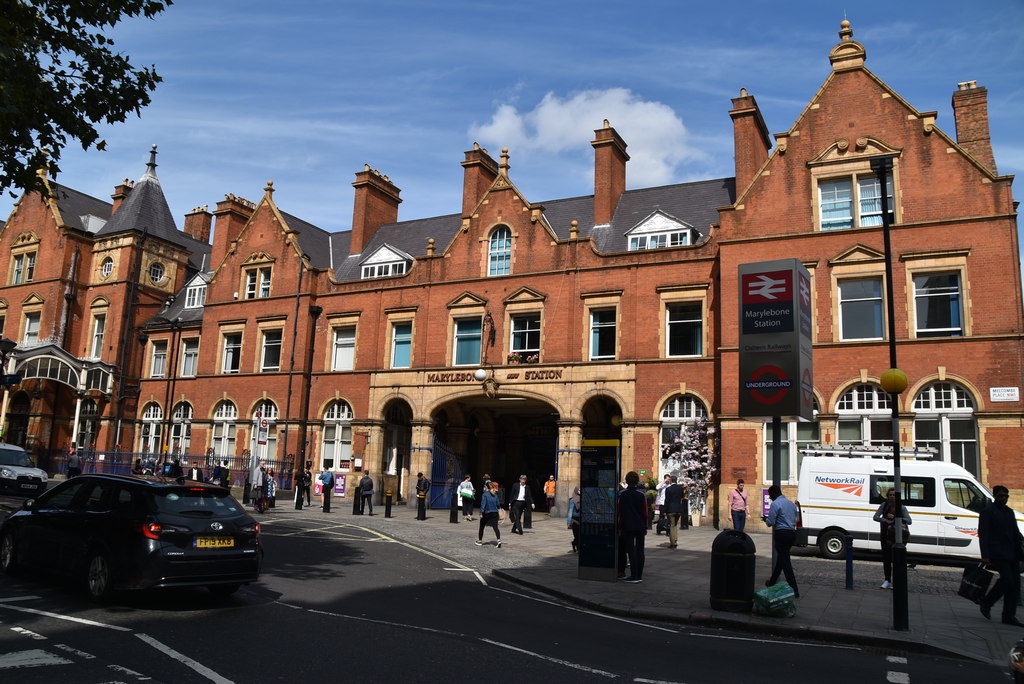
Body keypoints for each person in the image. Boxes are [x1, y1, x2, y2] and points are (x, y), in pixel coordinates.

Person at [978, 485, 1024, 626]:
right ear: (995, 496)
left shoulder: (1009, 512)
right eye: (1001, 496)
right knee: (1008, 579)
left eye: (1006, 496)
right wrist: (985, 554)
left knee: (1015, 584)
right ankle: (987, 602)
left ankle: (1009, 615)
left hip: (1012, 552)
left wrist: (1021, 542)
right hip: (997, 552)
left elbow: (1015, 532)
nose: (1003, 498)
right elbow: (983, 534)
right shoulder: (988, 512)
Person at [764, 484, 800, 598]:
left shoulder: (775, 504)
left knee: (785, 563)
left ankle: (794, 589)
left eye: (770, 496)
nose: (770, 498)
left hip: (781, 534)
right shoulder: (791, 504)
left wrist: (766, 519)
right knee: (781, 560)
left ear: (774, 494)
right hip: (791, 533)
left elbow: (771, 522)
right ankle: (772, 582)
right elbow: (796, 519)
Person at [872, 488, 912, 589]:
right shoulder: (884, 505)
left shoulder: (902, 507)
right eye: (890, 495)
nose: (892, 497)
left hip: (898, 538)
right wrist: (885, 520)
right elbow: (875, 517)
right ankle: (887, 580)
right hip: (885, 535)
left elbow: (909, 520)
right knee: (886, 559)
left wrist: (895, 518)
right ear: (887, 496)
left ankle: (896, 581)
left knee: (897, 560)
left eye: (894, 495)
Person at [617, 471, 648, 583]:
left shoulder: (622, 494)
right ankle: (639, 575)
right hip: (640, 525)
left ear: (627, 480)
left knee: (631, 550)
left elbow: (620, 512)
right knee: (640, 550)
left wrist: (620, 527)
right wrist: (645, 526)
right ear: (637, 481)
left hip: (627, 525)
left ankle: (633, 575)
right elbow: (644, 512)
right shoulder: (641, 495)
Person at [661, 475, 685, 549]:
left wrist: (664, 510)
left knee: (672, 526)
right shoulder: (680, 488)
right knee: (675, 525)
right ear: (676, 480)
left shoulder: (668, 489)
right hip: (678, 509)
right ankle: (675, 540)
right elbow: (682, 497)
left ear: (671, 480)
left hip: (671, 509)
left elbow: (667, 500)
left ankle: (673, 543)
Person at [476, 481, 502, 547]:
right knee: (495, 527)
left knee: (481, 527)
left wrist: (481, 513)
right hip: (495, 513)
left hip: (487, 513)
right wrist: (499, 508)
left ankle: (480, 541)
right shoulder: (495, 494)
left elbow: (483, 504)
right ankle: (499, 541)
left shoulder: (485, 494)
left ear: (486, 487)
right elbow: (498, 504)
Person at [566, 485, 581, 552]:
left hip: (582, 520)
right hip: (575, 520)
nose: (580, 491)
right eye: (579, 490)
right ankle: (577, 547)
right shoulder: (572, 500)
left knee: (580, 535)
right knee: (577, 535)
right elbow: (570, 511)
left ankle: (574, 543)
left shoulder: (583, 498)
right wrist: (569, 522)